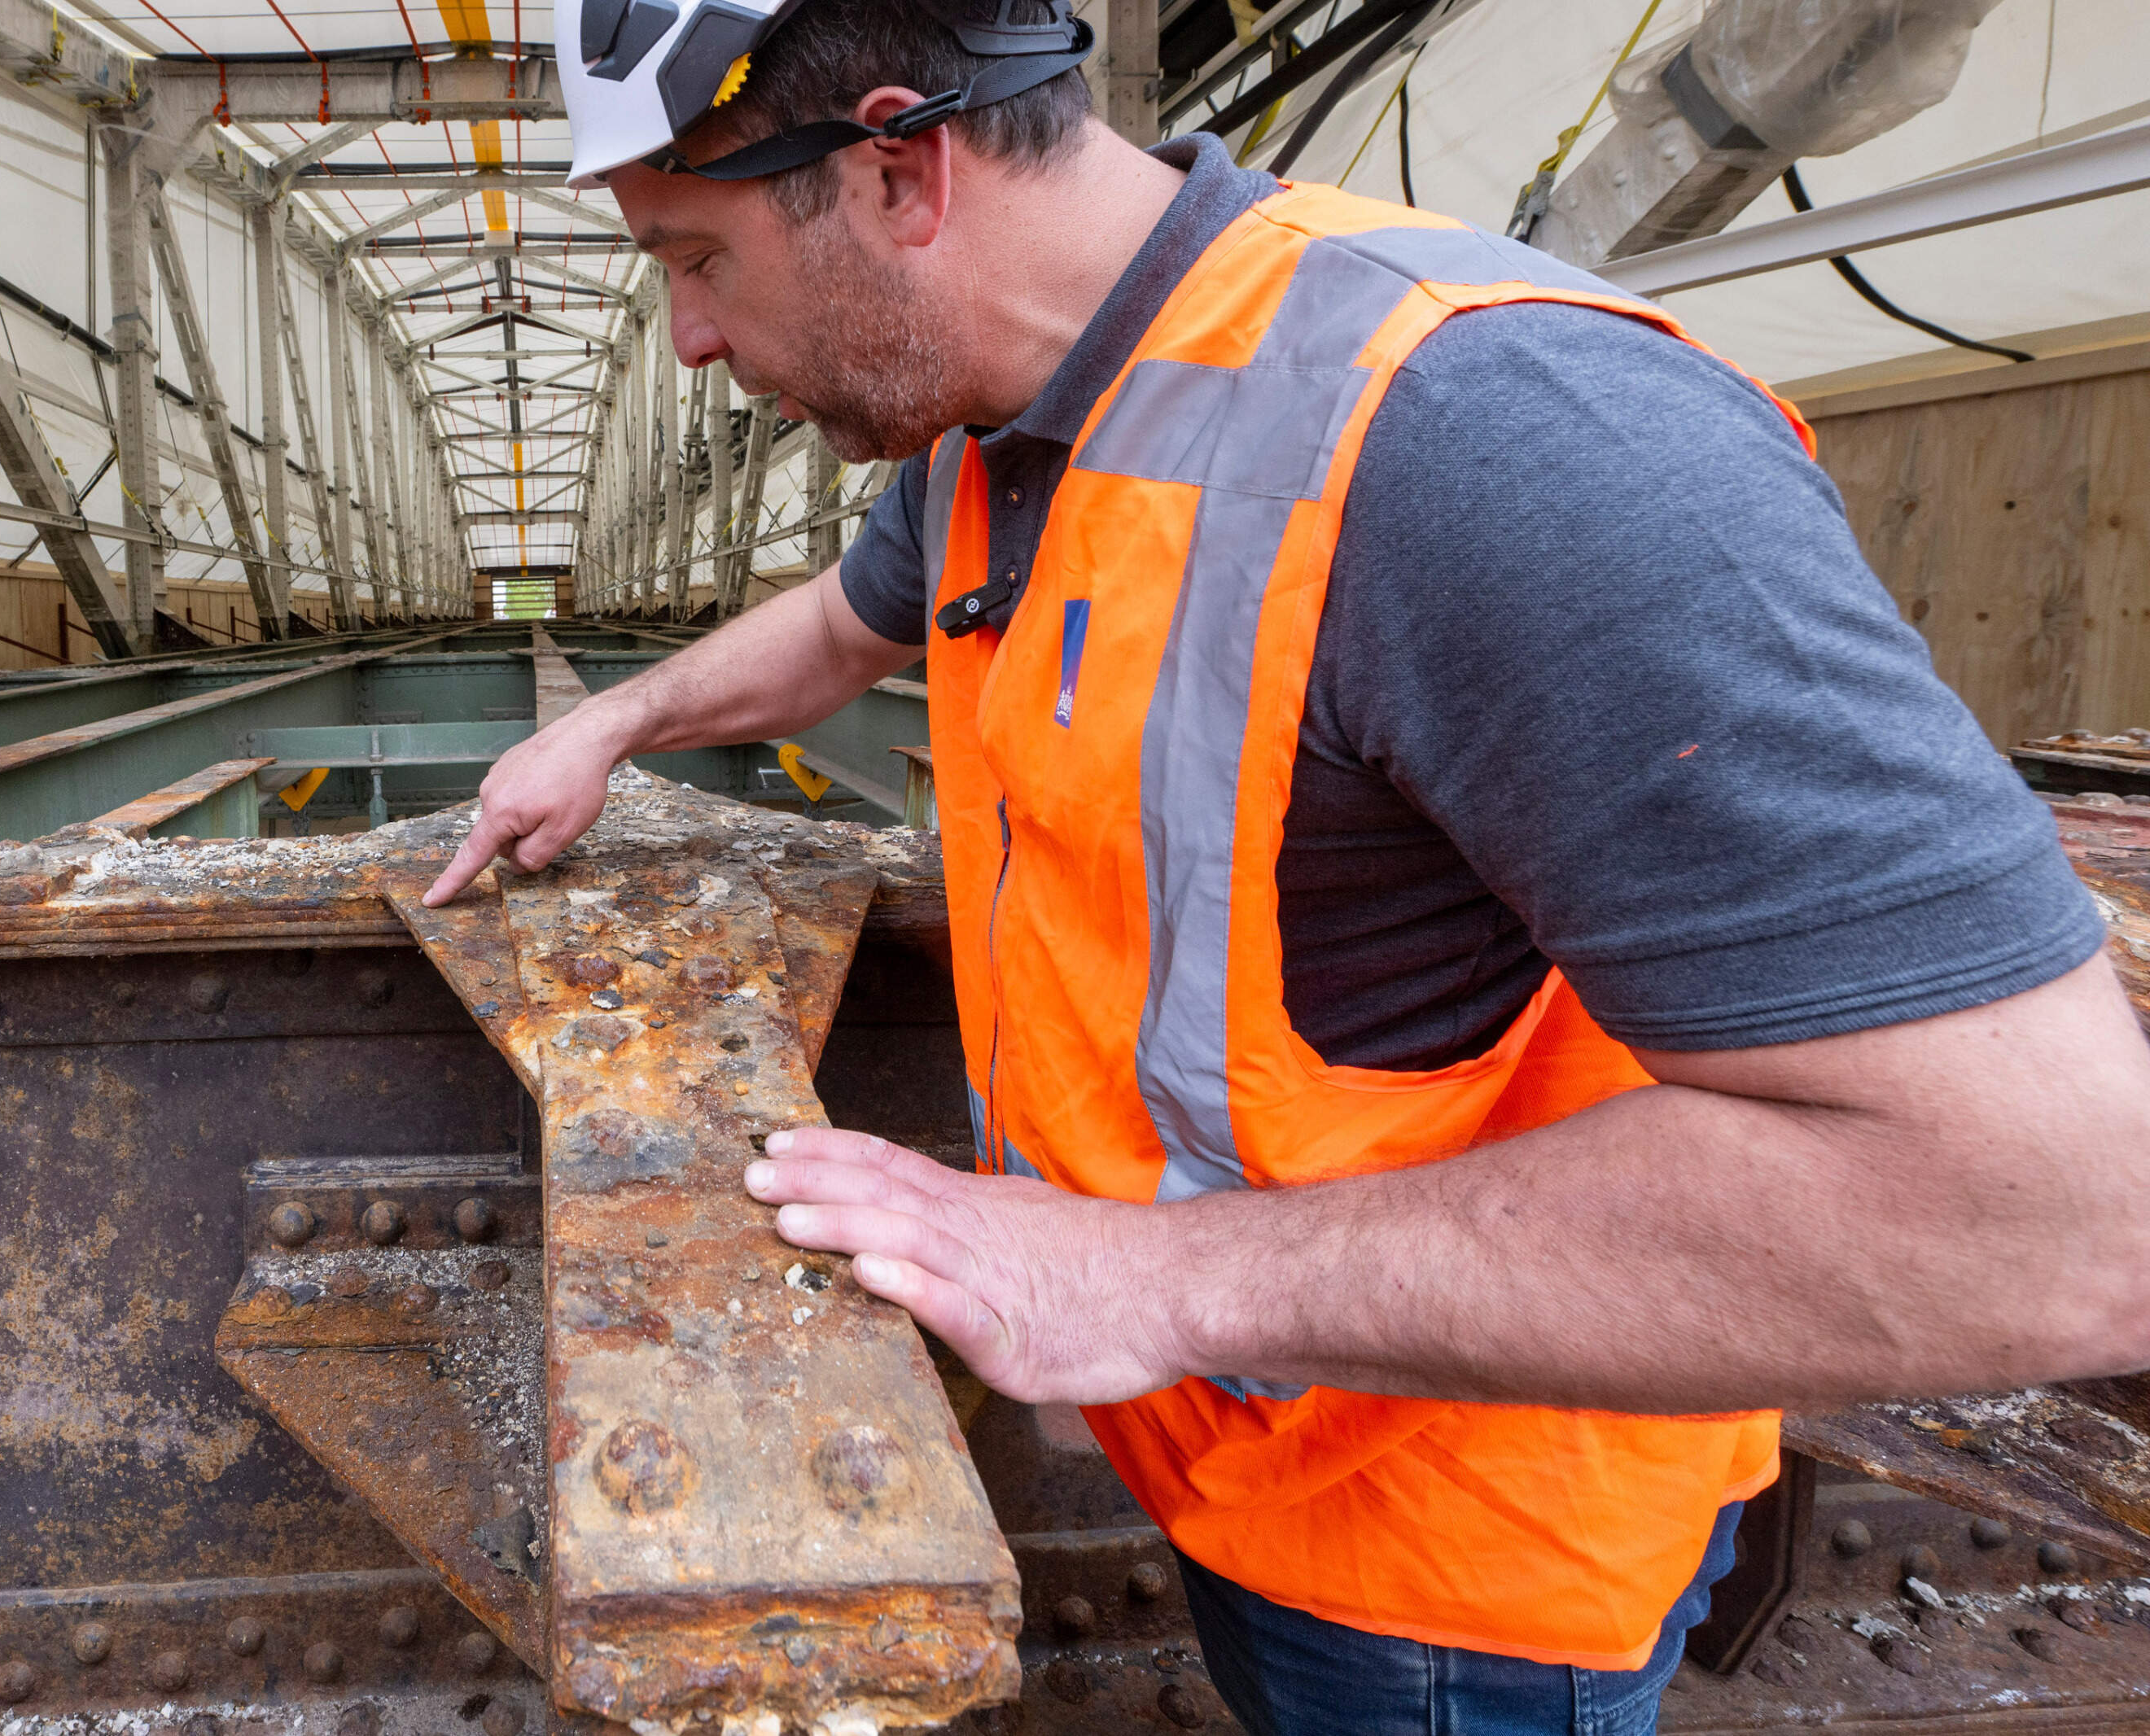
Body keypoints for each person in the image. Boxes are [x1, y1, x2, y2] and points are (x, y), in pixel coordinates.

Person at [427, 0, 2150, 1725]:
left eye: (697, 256)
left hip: (1445, 1551)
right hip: (1257, 1439)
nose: (690, 342)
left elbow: (2059, 1209)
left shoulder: (1483, 435)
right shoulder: (1001, 415)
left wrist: (1135, 1281)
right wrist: (618, 721)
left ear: (895, 171)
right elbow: (839, 627)